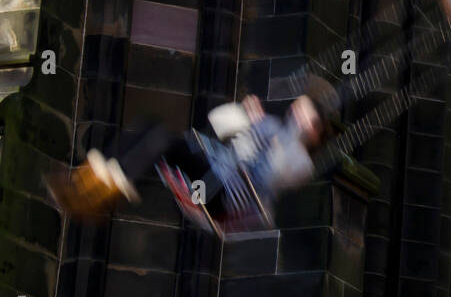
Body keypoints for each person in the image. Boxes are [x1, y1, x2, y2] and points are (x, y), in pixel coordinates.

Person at [46, 76, 341, 232]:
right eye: (304, 111)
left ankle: (98, 195)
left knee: (163, 141)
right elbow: (219, 123)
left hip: (225, 194)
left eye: (311, 121)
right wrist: (244, 119)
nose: (302, 119)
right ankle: (89, 181)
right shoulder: (275, 126)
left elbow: (265, 172)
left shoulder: (302, 162)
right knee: (150, 128)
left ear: (317, 134)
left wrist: (254, 129)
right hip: (215, 169)